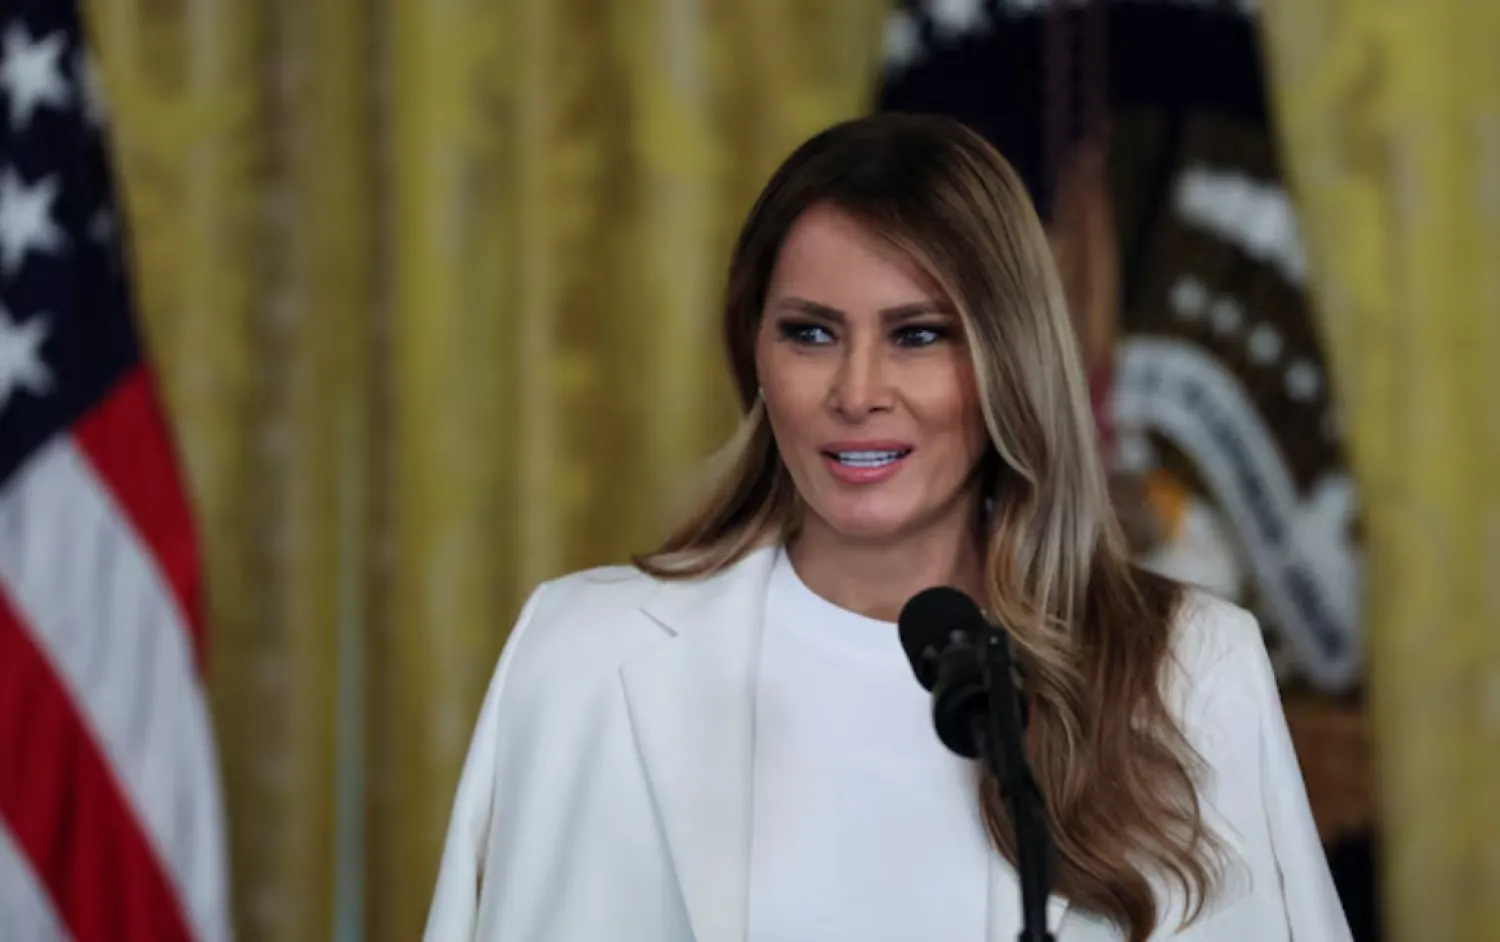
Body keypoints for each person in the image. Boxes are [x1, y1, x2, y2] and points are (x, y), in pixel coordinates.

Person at [423, 113, 1351, 942]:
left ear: (1011, 362)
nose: (857, 392)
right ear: (754, 354)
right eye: (811, 333)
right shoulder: (576, 655)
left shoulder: (1195, 670)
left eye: (918, 334)